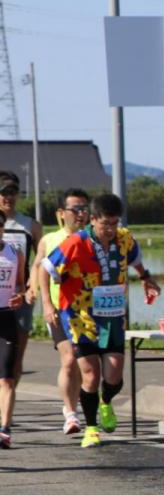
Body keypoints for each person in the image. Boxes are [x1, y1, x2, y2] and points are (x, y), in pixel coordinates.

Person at [44, 194, 161, 448]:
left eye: (114, 223)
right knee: (90, 374)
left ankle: (106, 401)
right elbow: (45, 268)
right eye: (105, 223)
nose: (110, 229)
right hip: (80, 318)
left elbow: (136, 259)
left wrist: (145, 278)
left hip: (113, 317)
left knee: (114, 373)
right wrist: (46, 304)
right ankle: (91, 428)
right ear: (93, 219)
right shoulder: (75, 242)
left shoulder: (124, 238)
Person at [33, 189, 90, 434]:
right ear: (61, 213)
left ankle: (80, 406)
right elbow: (39, 267)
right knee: (69, 360)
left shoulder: (93, 238)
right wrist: (42, 299)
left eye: (84, 209)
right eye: (75, 209)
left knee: (83, 364)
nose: (80, 214)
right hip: (60, 310)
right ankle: (70, 413)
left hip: (87, 311)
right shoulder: (50, 240)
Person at [0, 171, 42, 395]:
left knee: (15, 357)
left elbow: (40, 261)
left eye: (13, 192)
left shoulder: (31, 225)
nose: (9, 197)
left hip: (20, 298)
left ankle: (6, 403)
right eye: (4, 192)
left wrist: (32, 287)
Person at [0, 226, 28, 447]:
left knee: (7, 377)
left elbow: (21, 284)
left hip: (6, 318)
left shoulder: (15, 252)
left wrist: (20, 295)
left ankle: (5, 429)